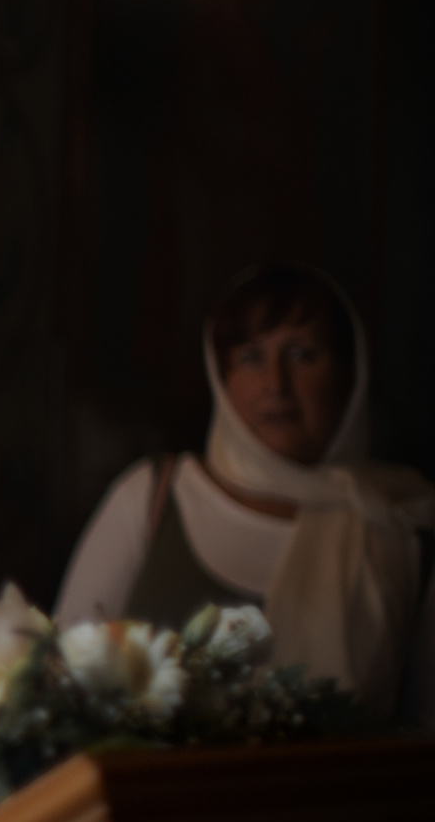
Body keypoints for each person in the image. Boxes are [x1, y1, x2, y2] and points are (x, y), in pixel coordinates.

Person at [56, 261, 435, 721]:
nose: (276, 384)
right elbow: (58, 682)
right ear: (222, 377)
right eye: (251, 358)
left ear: (346, 376)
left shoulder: (398, 521)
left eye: (302, 354)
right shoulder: (154, 496)